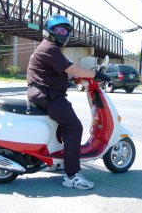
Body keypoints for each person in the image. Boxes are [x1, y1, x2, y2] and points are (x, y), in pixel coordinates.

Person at [26, 14, 109, 190]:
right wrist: (96, 74)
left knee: (61, 126)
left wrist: (74, 78)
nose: (62, 33)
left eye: (64, 30)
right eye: (58, 29)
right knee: (74, 127)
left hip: (43, 92)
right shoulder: (50, 48)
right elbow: (70, 68)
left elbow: (65, 72)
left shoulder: (49, 48)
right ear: (50, 31)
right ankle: (72, 176)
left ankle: (53, 161)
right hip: (47, 95)